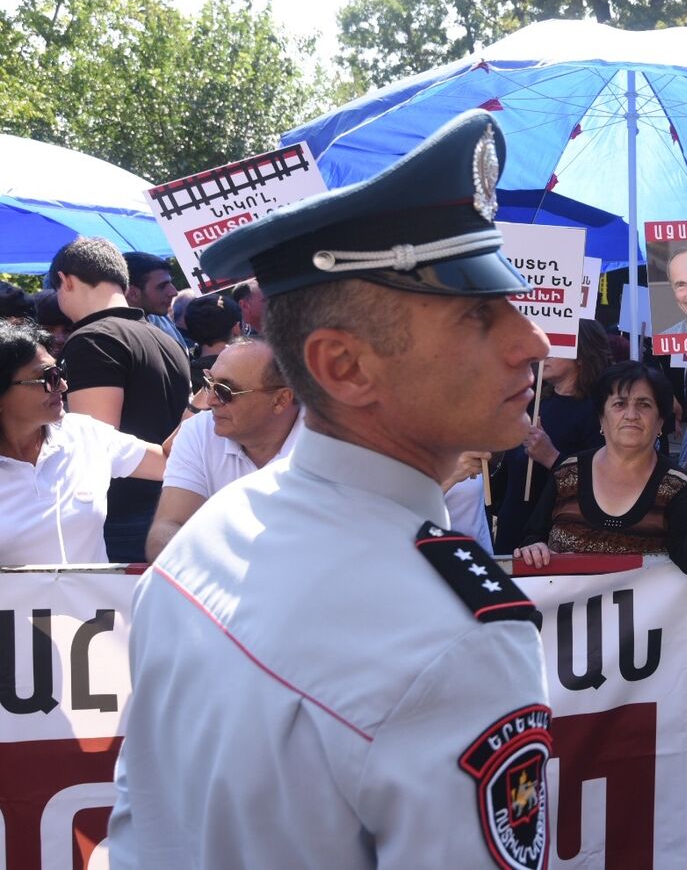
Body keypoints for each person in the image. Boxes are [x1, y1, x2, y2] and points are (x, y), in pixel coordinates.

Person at [109, 111, 556, 870]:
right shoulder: (459, 642)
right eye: (481, 314)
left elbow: (140, 822)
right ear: (344, 367)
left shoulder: (212, 534)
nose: (533, 340)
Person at [51, 237, 190, 562]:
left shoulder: (93, 340)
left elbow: (95, 443)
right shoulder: (164, 337)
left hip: (121, 519)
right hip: (169, 505)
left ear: (65, 281)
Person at [513, 361, 687, 567]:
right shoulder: (567, 472)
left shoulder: (677, 485)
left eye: (644, 404)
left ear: (660, 422)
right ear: (602, 418)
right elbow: (533, 535)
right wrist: (533, 546)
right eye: (620, 404)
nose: (631, 415)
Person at [0, 321, 165, 564]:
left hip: (95, 603)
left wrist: (213, 394)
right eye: (49, 377)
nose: (63, 386)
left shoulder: (85, 434)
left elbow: (169, 461)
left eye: (60, 372)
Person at [144, 338, 301, 560]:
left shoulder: (328, 443)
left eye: (225, 391)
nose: (210, 400)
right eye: (209, 383)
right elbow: (166, 529)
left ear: (281, 400)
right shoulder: (198, 432)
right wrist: (224, 572)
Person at [491, 318, 610, 557]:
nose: (544, 353)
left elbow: (601, 481)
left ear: (581, 353)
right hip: (512, 532)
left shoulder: (598, 413)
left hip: (550, 543)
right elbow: (509, 473)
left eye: (555, 346)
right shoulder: (534, 402)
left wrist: (551, 457)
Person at [123, 251, 185, 348]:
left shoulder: (160, 319)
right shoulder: (122, 338)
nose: (174, 292)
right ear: (133, 294)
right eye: (162, 286)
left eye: (170, 283)